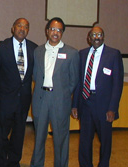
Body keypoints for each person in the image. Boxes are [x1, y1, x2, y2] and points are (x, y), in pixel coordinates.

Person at [30, 17, 79, 167]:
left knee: (61, 139)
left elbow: (74, 80)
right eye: (53, 29)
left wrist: (62, 94)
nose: (55, 32)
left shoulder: (71, 53)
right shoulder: (38, 51)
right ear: (47, 31)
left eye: (59, 30)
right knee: (39, 138)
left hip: (60, 101)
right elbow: (35, 75)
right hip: (41, 99)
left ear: (62, 32)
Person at [71, 26, 124, 167]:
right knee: (85, 140)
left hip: (105, 106)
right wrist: (75, 104)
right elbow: (79, 81)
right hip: (85, 103)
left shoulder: (113, 54)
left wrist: (112, 108)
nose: (96, 37)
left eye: (99, 34)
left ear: (104, 37)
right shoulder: (81, 54)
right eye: (93, 35)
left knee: (105, 140)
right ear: (89, 38)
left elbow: (117, 84)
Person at [0, 18, 38, 167]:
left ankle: (13, 162)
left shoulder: (34, 48)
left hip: (23, 101)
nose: (22, 29)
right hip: (4, 101)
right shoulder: (1, 46)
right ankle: (1, 162)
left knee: (19, 135)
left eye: (26, 26)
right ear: (13, 28)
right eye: (19, 25)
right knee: (0, 135)